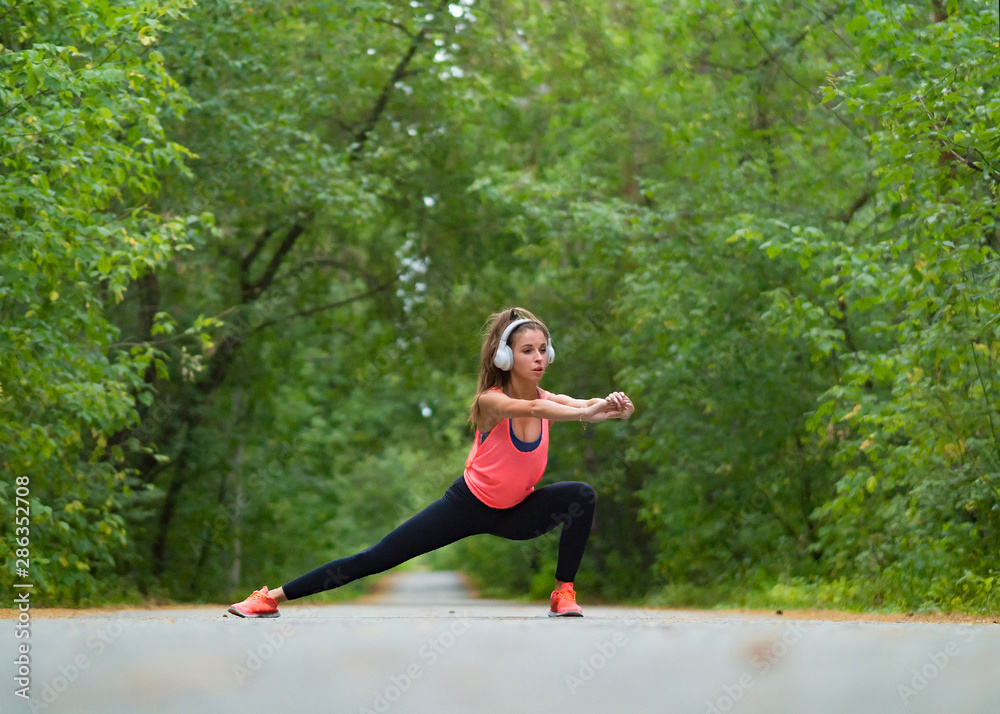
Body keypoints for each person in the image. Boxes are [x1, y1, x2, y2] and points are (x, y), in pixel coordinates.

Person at [227, 307, 634, 619]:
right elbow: (531, 407)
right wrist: (588, 412)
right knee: (375, 558)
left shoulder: (552, 399)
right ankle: (269, 597)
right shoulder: (491, 400)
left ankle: (563, 592)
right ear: (506, 357)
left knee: (581, 494)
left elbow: (583, 406)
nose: (538, 357)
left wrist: (613, 407)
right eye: (527, 350)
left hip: (517, 514)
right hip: (466, 506)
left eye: (543, 349)